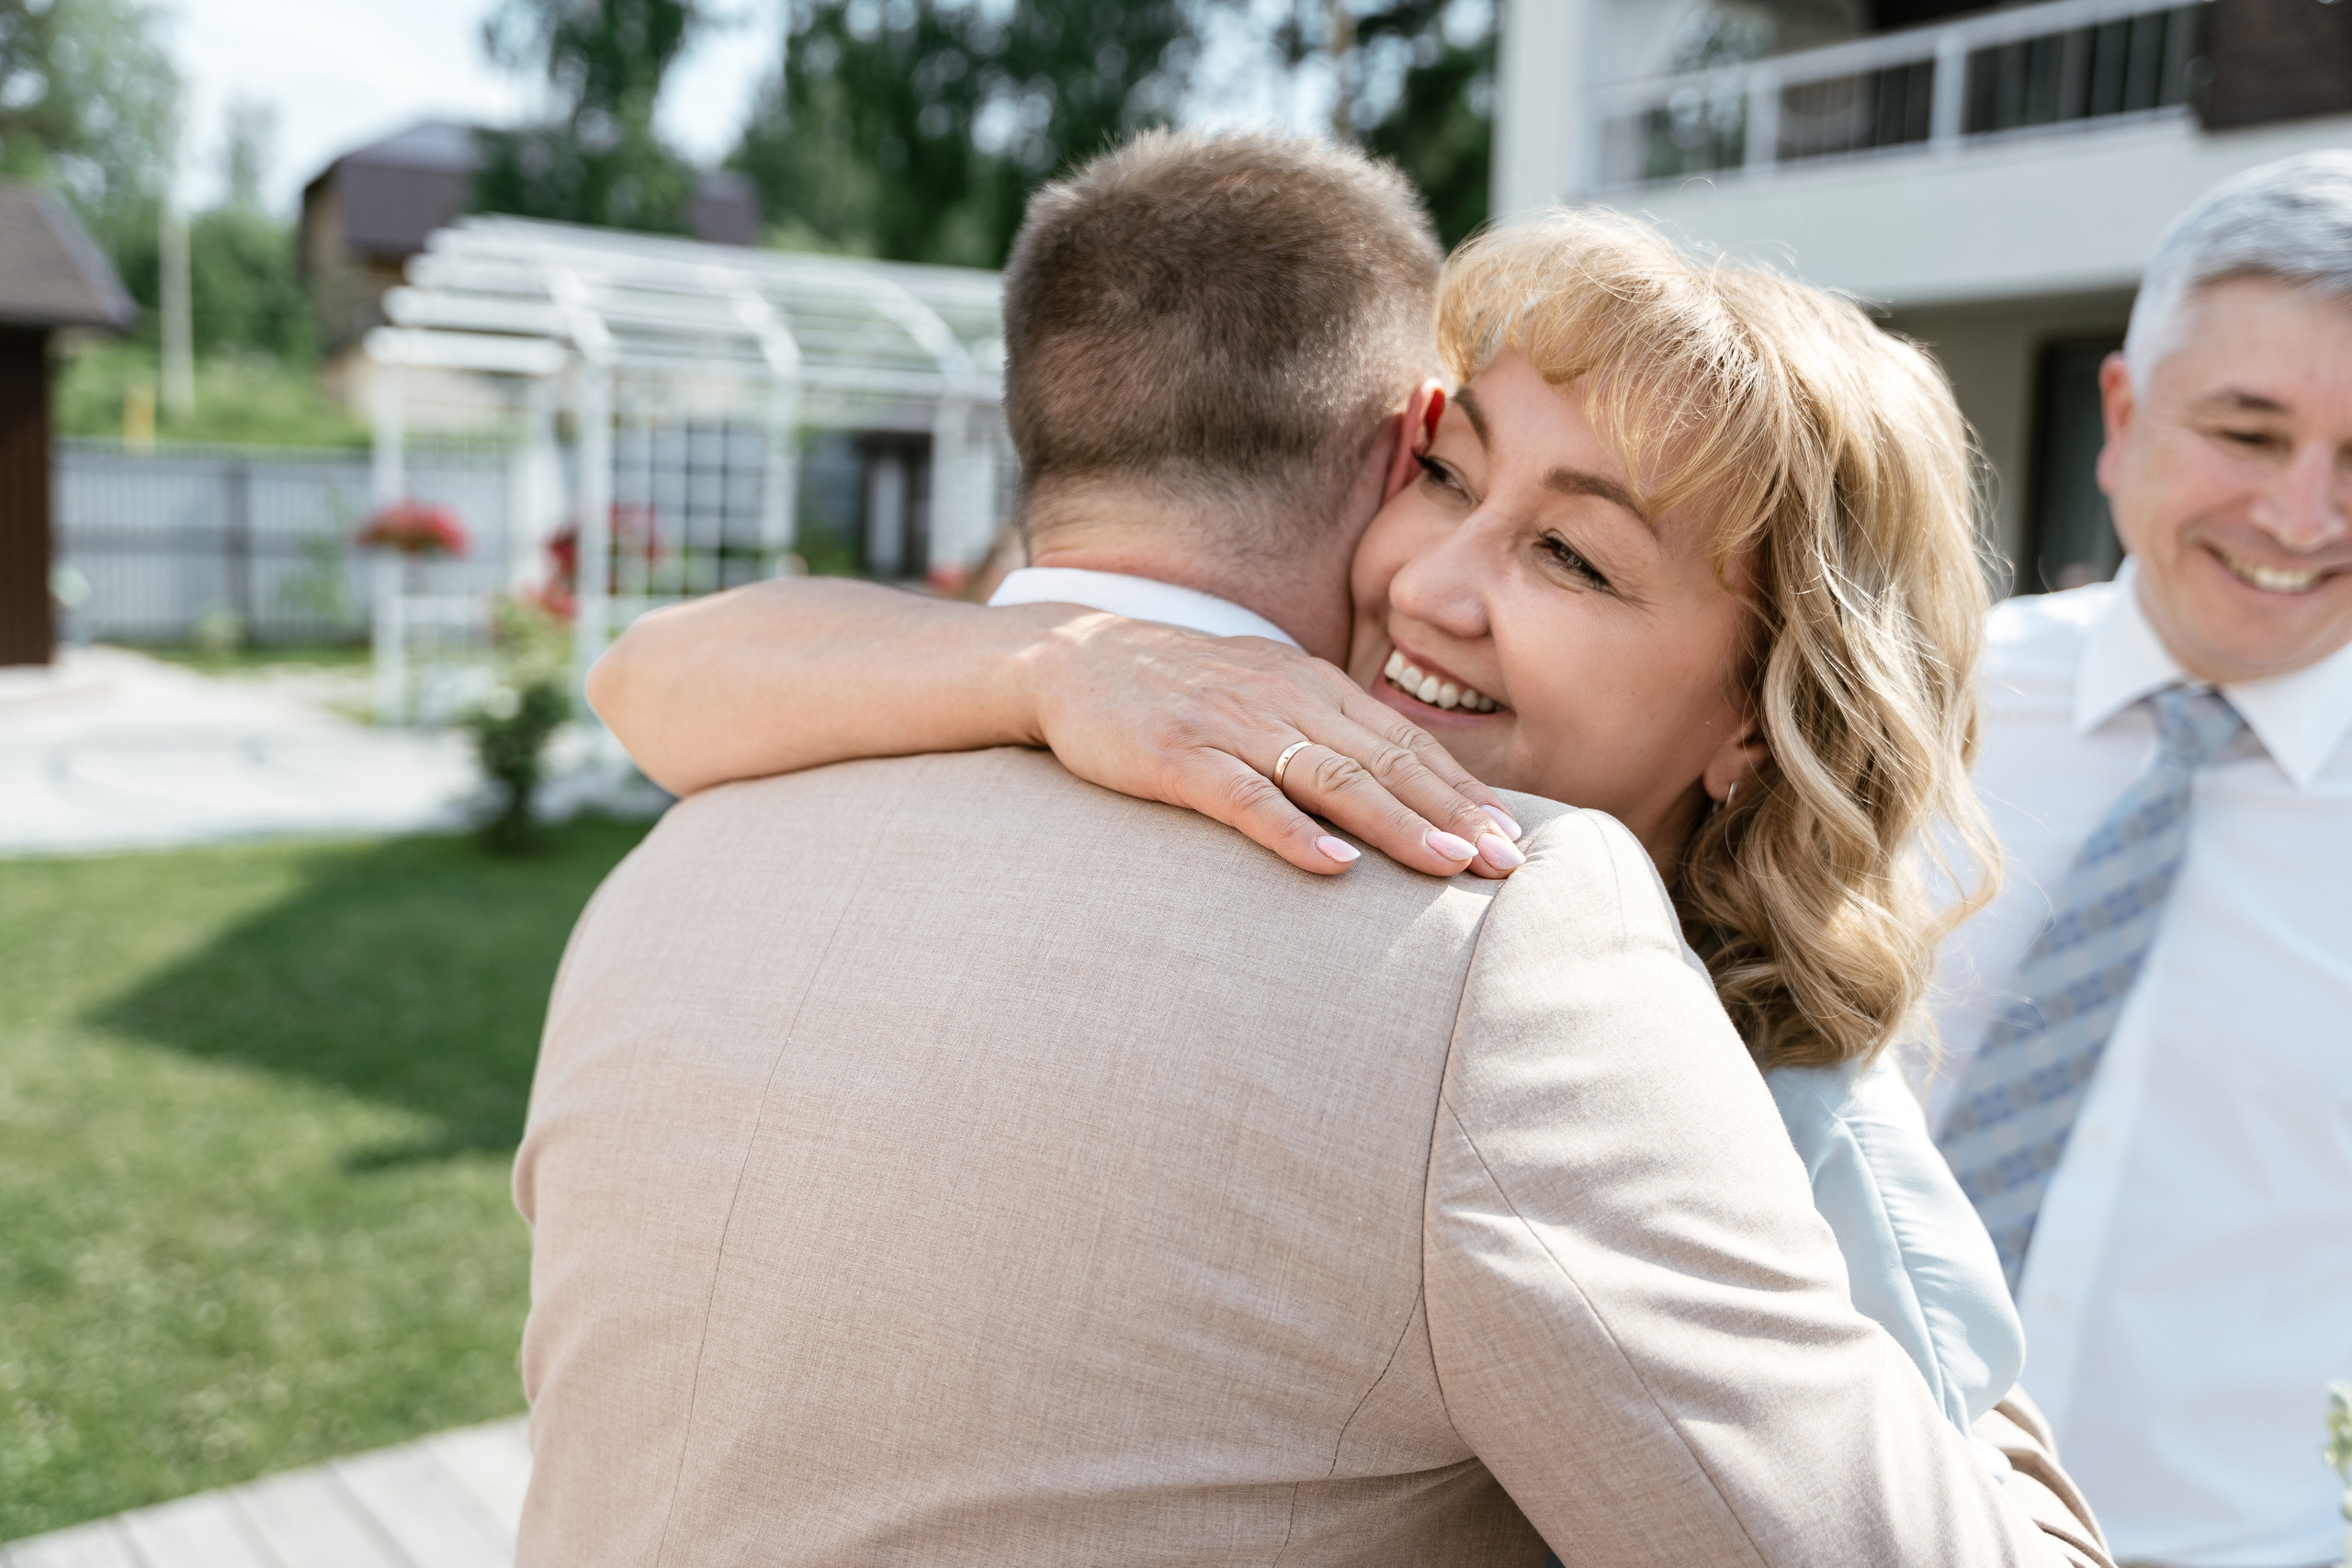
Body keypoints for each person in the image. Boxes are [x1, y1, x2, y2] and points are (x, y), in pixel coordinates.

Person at [522, 132, 2110, 1564]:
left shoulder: (1715, 1059)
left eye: (1572, 555)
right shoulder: (1425, 919)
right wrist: (1056, 664)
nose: (1429, 584)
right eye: (1446, 474)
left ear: (1764, 714)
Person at [1920, 151, 2352, 1568]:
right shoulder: (1909, 710)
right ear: (2121, 418)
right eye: (2249, 433)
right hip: (1814, 1505)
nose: (2301, 517)